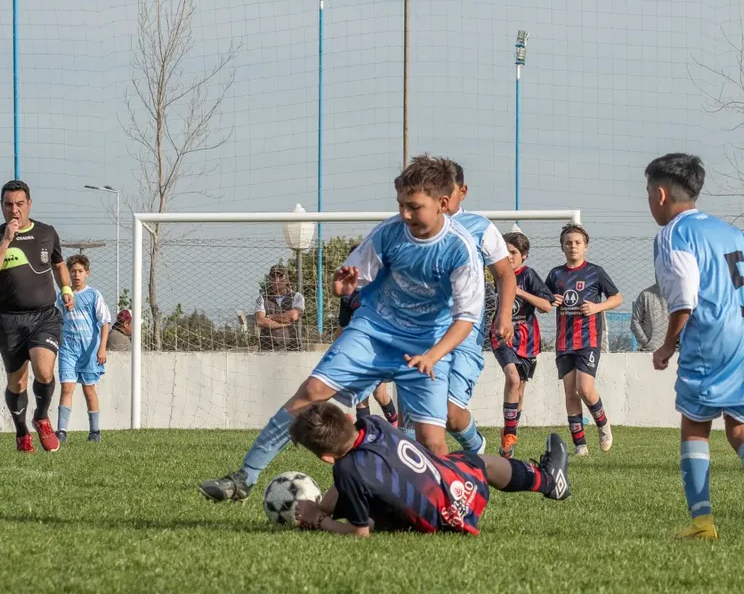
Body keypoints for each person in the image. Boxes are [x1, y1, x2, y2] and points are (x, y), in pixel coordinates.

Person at [198, 154, 484, 502]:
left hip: (425, 347)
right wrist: (344, 286)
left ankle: (448, 504)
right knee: (311, 392)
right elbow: (349, 282)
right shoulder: (389, 233)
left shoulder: (461, 248)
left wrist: (433, 355)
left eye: (414, 207)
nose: (405, 214)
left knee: (432, 441)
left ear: (442, 203)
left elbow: (466, 318)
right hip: (373, 333)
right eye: (400, 205)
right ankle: (244, 477)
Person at [645, 153, 744, 542]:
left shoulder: (674, 234)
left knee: (695, 424)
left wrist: (667, 346)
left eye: (648, 193)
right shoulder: (731, 232)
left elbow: (684, 297)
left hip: (714, 334)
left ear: (662, 194)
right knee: (740, 428)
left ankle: (702, 523)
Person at [289, 403, 571, 536]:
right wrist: (324, 506)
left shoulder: (348, 471)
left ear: (327, 458)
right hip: (460, 488)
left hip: (444, 520)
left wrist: (319, 520)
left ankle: (549, 480)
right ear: (350, 418)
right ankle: (547, 481)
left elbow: (360, 534)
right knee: (478, 462)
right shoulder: (374, 423)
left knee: (372, 514)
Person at [0, 180, 73, 453]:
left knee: (44, 371)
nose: (14, 210)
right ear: (2, 207)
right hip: (9, 320)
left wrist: (66, 288)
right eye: (8, 204)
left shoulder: (47, 232)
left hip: (44, 316)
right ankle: (22, 432)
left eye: (19, 204)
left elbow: (59, 265)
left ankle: (42, 418)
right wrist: (8, 239)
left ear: (29, 204)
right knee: (17, 382)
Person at [440, 164, 516, 454]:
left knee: (450, 413)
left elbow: (504, 274)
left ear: (463, 191)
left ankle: (476, 448)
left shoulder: (480, 227)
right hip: (423, 332)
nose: (441, 200)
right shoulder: (416, 227)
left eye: (447, 192)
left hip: (465, 333)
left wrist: (503, 314)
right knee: (414, 421)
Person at [545, 224, 623, 456]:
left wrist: (597, 306)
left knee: (584, 388)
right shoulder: (555, 274)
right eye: (568, 243)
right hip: (563, 342)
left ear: (586, 246)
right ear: (562, 247)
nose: (573, 246)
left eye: (577, 242)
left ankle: (603, 425)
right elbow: (545, 305)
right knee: (570, 391)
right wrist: (551, 301)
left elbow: (617, 298)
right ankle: (580, 445)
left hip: (588, 339)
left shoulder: (595, 272)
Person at [491, 231, 553, 458]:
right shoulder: (494, 274)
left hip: (527, 341)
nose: (508, 256)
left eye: (513, 252)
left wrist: (518, 292)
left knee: (520, 391)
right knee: (513, 378)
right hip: (502, 336)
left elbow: (547, 306)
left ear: (524, 255)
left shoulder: (528, 276)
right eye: (505, 251)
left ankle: (509, 436)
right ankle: (509, 437)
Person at [336, 246, 400, 426]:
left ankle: (395, 430)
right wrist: (336, 349)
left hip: (378, 349)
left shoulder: (381, 286)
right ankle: (367, 436)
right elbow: (343, 324)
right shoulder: (348, 294)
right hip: (357, 347)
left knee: (380, 395)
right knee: (360, 394)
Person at [55, 255, 112, 444]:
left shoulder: (93, 295)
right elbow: (58, 320)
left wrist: (102, 348)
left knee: (89, 390)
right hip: (68, 349)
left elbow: (105, 322)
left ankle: (94, 431)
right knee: (67, 387)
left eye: (80, 271)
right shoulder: (62, 296)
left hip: (89, 349)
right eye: (73, 271)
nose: (76, 275)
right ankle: (61, 431)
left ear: (87, 273)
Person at [255, 265, 305, 351]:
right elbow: (260, 321)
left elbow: (293, 316)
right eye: (273, 276)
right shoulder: (262, 298)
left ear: (287, 279)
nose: (276, 280)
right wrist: (286, 323)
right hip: (267, 347)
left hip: (291, 346)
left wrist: (269, 317)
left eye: (280, 276)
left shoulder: (297, 296)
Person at [631, 281, 669, 351]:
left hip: (676, 349)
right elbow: (635, 321)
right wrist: (646, 342)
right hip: (651, 349)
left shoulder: (679, 296)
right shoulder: (645, 295)